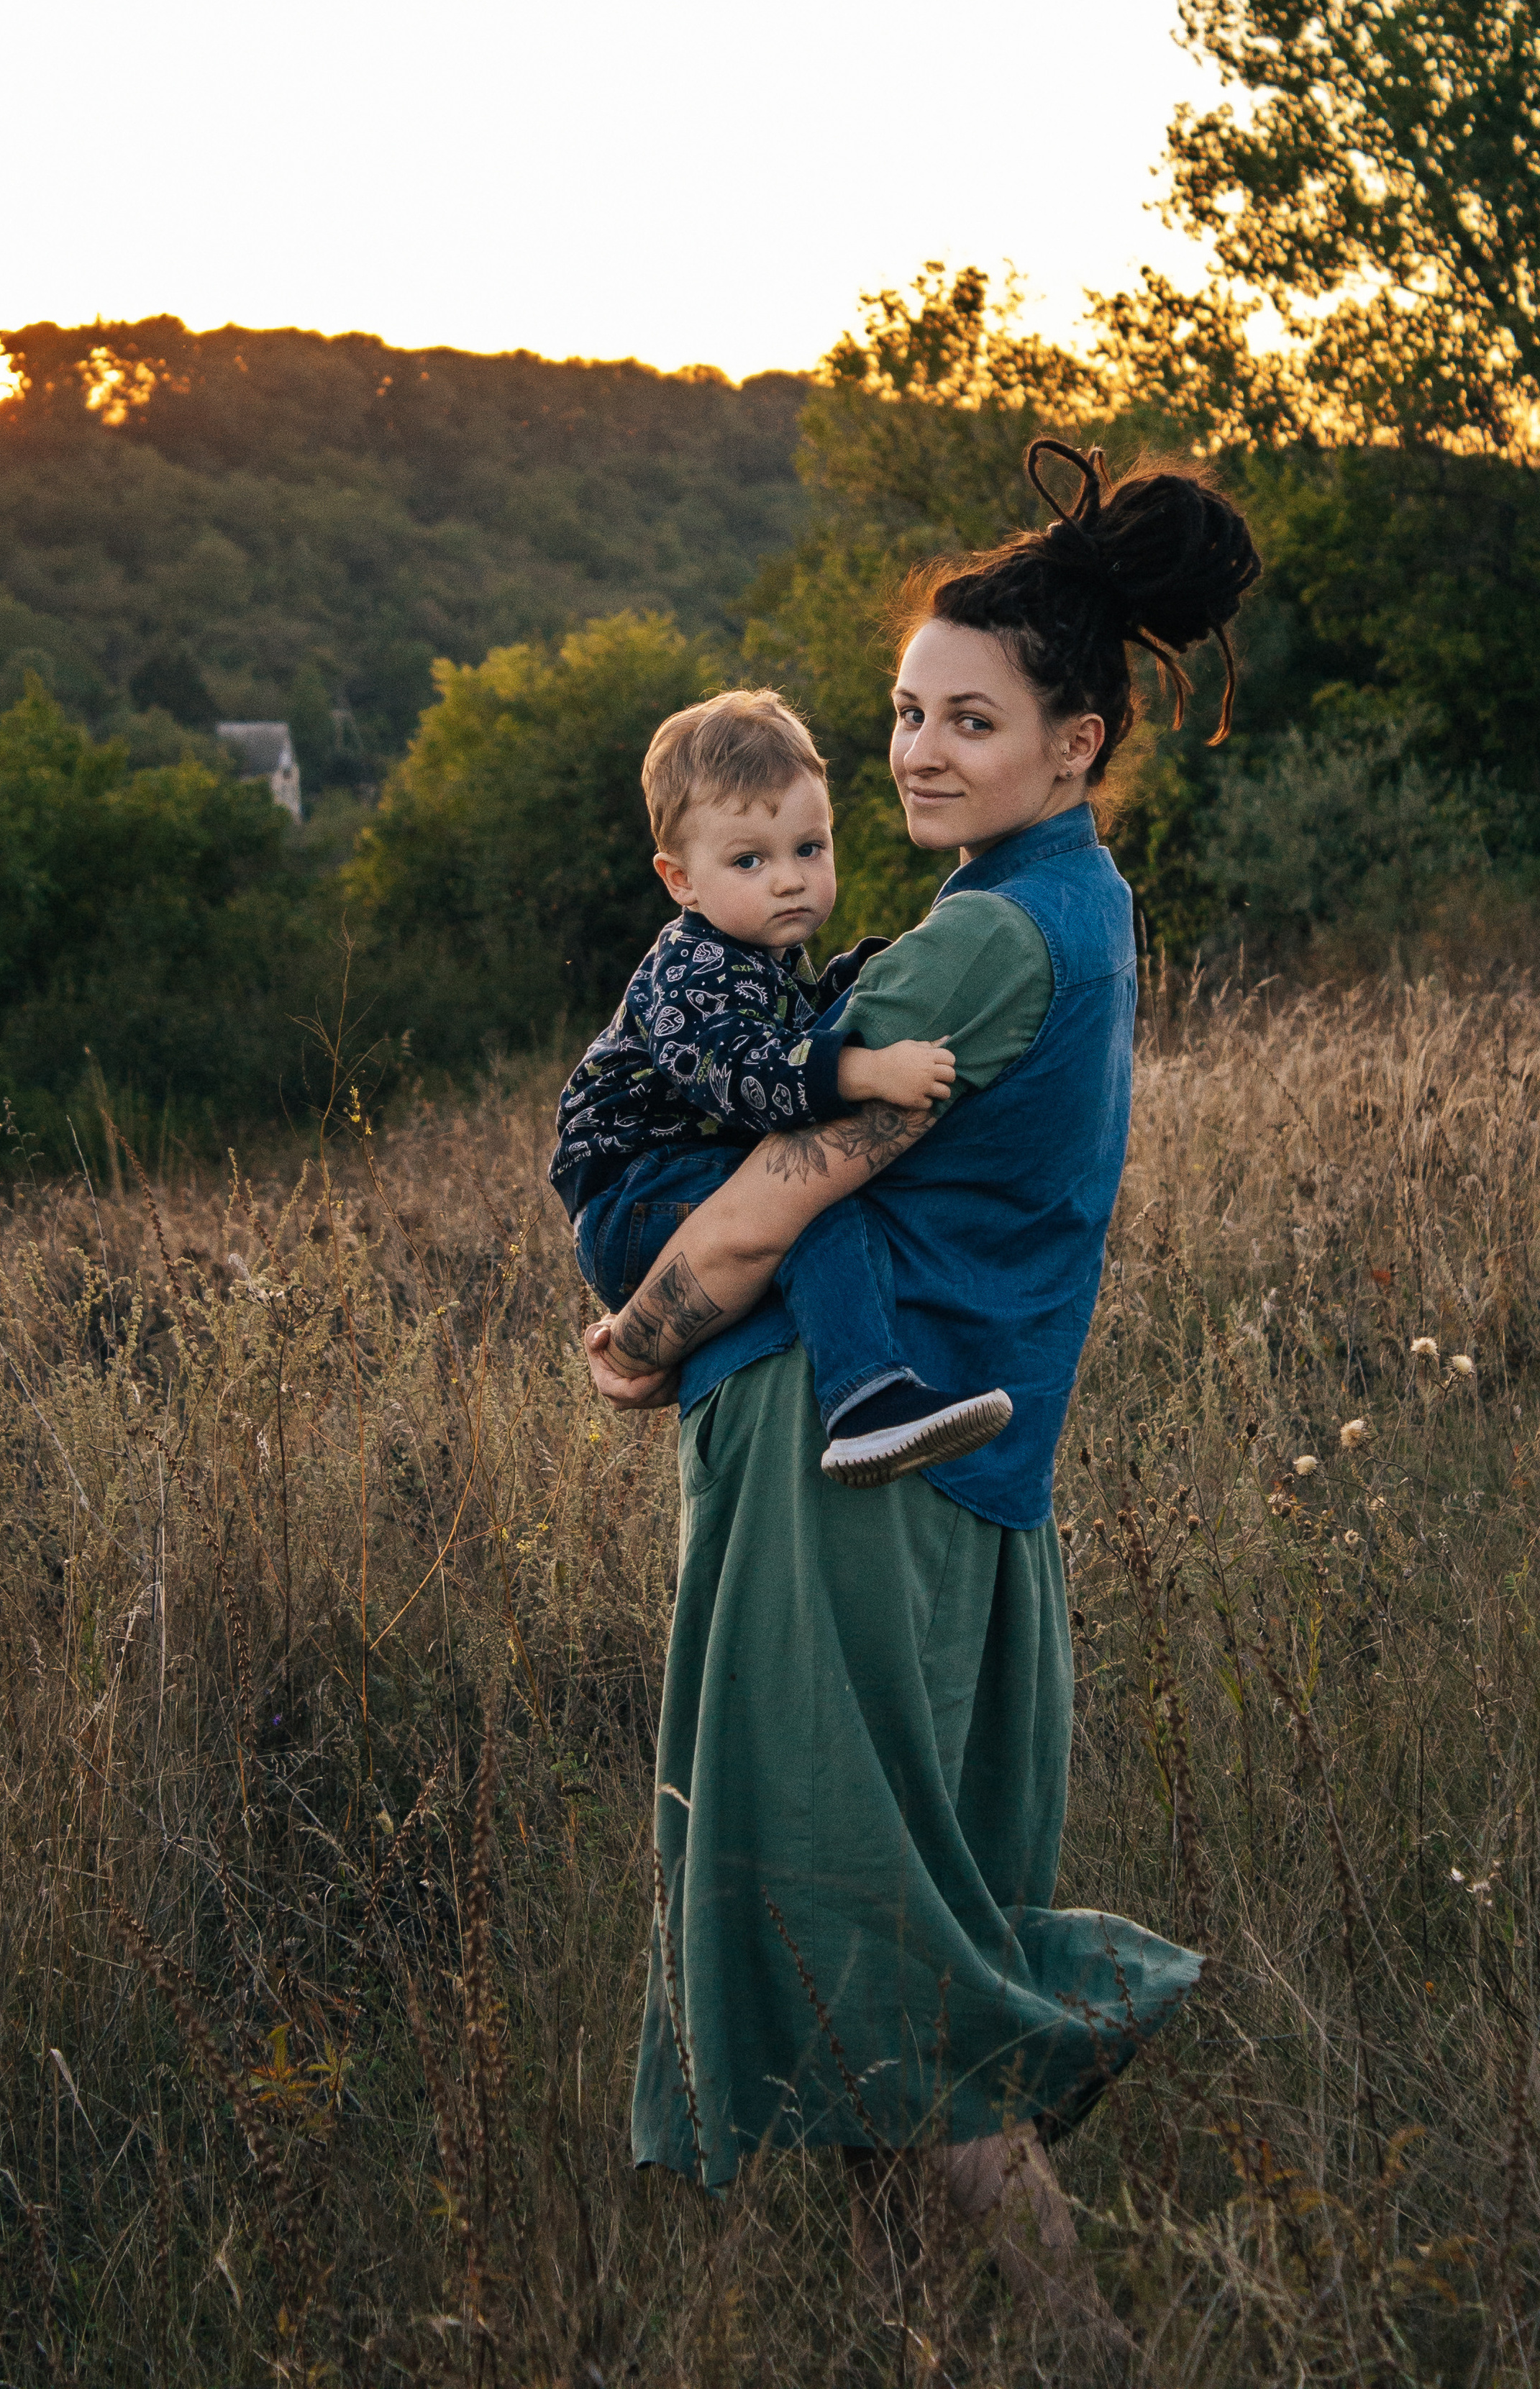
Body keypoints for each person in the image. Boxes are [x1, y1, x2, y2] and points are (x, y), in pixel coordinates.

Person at [585, 440, 1262, 2324]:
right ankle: (912, 2349)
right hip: (970, 1486)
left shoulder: (970, 947)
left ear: (1078, 742)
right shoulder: (1088, 905)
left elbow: (754, 1217)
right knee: (878, 1985)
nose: (919, 751)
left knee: (890, 1976)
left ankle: (1099, 2345)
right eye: (903, 712)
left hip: (853, 1492)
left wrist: (635, 1344)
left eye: (973, 719)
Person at [551, 688, 1015, 1481]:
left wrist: (868, 974)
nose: (788, 881)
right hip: (632, 1194)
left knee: (808, 1213)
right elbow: (746, 1077)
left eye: (809, 848)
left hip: (678, 1178)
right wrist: (868, 1069)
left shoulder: (759, 956)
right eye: (748, 861)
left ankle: (841, 1387)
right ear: (680, 880)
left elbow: (787, 1023)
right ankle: (864, 1404)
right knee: (813, 1214)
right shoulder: (687, 972)